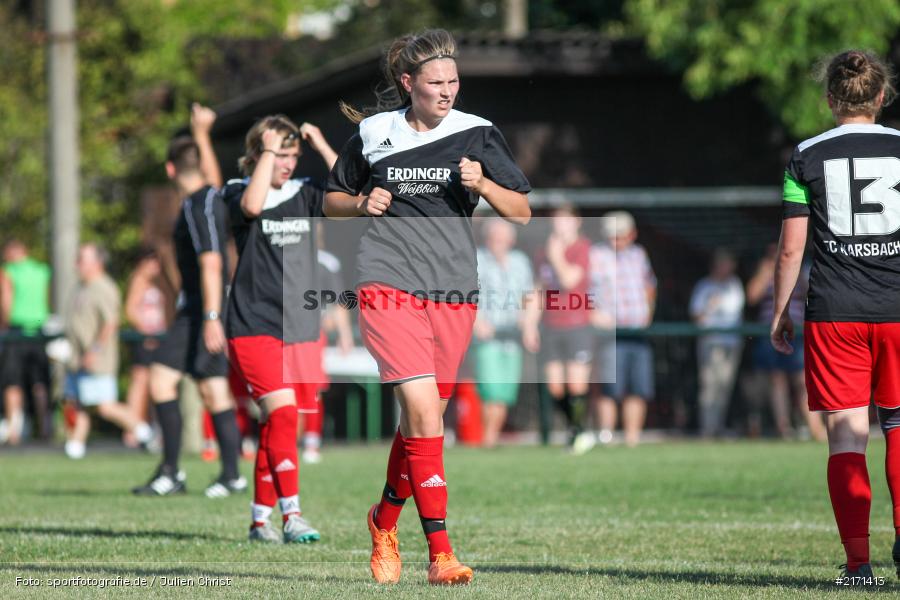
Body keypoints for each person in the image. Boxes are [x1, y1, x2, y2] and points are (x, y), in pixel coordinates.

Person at [325, 28, 531, 586]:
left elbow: (521, 215)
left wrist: (485, 184)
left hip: (454, 290)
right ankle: (441, 553)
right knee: (419, 406)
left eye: (454, 81)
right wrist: (363, 201)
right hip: (386, 281)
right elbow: (331, 201)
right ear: (408, 83)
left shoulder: (478, 134)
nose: (448, 91)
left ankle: (383, 520)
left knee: (425, 420)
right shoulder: (374, 133)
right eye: (436, 82)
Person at [771, 50, 900, 582]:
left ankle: (858, 565)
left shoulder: (804, 156)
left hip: (836, 313)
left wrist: (781, 311)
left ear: (829, 99)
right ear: (881, 96)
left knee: (847, 435)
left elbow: (789, 252)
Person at [220, 115, 337, 543]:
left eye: (292, 156)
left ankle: (258, 521)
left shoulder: (304, 193)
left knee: (279, 423)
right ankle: (293, 516)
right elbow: (252, 206)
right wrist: (267, 154)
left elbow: (352, 194)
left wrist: (322, 144)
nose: (287, 164)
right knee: (284, 414)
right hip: (252, 324)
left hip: (297, 327)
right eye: (279, 155)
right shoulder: (237, 191)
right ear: (256, 155)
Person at [132, 104, 246, 498]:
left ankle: (224, 474)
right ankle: (175, 473)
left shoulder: (199, 205)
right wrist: (202, 133)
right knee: (171, 381)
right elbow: (212, 177)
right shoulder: (207, 196)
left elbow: (212, 263)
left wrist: (213, 317)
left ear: (169, 170)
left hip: (205, 309)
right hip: (196, 310)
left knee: (208, 389)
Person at [62, 243, 153, 459]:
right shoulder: (80, 287)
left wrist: (94, 350)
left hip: (97, 358)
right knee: (80, 403)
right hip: (77, 357)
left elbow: (111, 323)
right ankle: (75, 446)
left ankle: (145, 432)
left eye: (82, 259)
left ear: (97, 263)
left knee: (105, 406)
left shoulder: (104, 287)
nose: (77, 264)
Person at [522, 206, 594, 454]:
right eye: (556, 221)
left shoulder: (581, 248)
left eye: (564, 220)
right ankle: (577, 430)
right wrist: (529, 325)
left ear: (576, 222)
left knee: (576, 386)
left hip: (577, 325)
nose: (559, 225)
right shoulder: (545, 252)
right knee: (554, 387)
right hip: (551, 327)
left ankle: (579, 432)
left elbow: (569, 280)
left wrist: (556, 255)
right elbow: (539, 290)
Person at [589, 211, 657, 447]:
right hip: (610, 334)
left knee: (638, 387)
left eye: (620, 236)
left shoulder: (639, 255)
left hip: (637, 332)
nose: (615, 240)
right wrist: (592, 314)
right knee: (610, 388)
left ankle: (632, 439)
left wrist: (648, 312)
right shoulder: (596, 255)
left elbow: (650, 286)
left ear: (632, 234)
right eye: (612, 236)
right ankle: (606, 437)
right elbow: (582, 291)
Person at [746, 244, 825, 440]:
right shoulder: (765, 270)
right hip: (771, 331)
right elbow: (751, 296)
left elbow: (814, 295)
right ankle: (784, 428)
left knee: (802, 380)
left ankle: (815, 428)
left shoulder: (802, 268)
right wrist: (765, 272)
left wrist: (795, 273)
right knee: (777, 379)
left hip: (797, 331)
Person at [473, 217, 533, 448]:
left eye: (503, 237)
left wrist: (528, 325)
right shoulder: (477, 259)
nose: (499, 241)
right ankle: (488, 439)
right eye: (495, 237)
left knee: (505, 392)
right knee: (490, 389)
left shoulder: (520, 261)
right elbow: (467, 294)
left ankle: (492, 438)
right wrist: (477, 321)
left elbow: (528, 295)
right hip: (487, 335)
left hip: (512, 336)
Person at [0, 240, 51, 444]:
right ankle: (46, 428)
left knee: (13, 382)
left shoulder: (8, 271)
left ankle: (14, 431)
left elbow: (5, 300)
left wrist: (3, 324)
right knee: (40, 382)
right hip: (38, 331)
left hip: (17, 330)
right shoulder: (42, 271)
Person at [689, 248, 745, 438]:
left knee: (724, 387)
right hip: (711, 342)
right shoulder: (704, 286)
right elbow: (696, 316)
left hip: (732, 344)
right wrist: (710, 305)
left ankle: (718, 427)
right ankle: (707, 429)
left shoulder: (735, 285)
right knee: (709, 386)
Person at [122, 248, 167, 447]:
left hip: (157, 338)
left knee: (152, 384)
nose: (155, 267)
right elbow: (130, 310)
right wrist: (145, 331)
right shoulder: (139, 280)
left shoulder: (154, 282)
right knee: (140, 383)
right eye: (151, 262)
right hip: (145, 340)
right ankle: (132, 429)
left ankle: (146, 426)